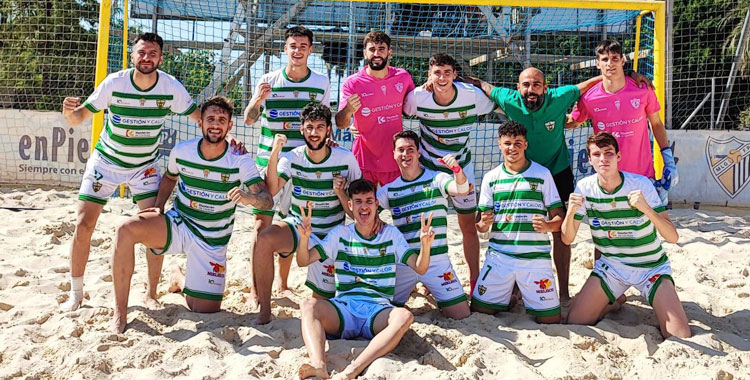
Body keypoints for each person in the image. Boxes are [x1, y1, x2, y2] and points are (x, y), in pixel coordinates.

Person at [468, 67, 651, 301]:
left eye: (536, 84)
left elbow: (587, 83)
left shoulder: (559, 97)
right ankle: (513, 288)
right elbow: (488, 88)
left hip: (557, 171)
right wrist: (472, 80)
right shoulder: (509, 99)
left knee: (562, 231)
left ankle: (563, 293)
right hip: (524, 174)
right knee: (517, 226)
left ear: (545, 87)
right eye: (526, 85)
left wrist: (626, 75)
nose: (530, 89)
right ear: (518, 88)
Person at [60, 32, 201, 312]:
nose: (146, 57)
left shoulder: (171, 88)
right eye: (141, 52)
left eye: (152, 53)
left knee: (153, 229)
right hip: (106, 163)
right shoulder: (115, 82)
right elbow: (78, 118)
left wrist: (225, 138)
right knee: (83, 224)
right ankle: (76, 294)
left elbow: (200, 118)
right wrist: (68, 114)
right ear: (132, 55)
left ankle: (151, 294)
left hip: (144, 167)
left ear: (160, 58)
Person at [109, 96, 273, 333]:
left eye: (221, 120)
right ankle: (120, 313)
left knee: (204, 308)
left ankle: (179, 278)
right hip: (181, 223)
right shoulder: (183, 151)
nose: (215, 124)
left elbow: (267, 201)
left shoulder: (240, 159)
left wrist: (250, 199)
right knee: (125, 230)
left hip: (212, 240)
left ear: (229, 126)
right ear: (200, 123)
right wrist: (159, 205)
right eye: (210, 119)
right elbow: (169, 178)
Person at [295, 179, 435, 380]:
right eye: (358, 201)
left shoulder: (391, 234)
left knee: (404, 316)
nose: (364, 206)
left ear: (376, 205)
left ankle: (353, 369)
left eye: (369, 200)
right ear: (350, 205)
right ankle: (319, 365)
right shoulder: (340, 233)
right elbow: (304, 260)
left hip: (377, 310)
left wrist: (426, 245)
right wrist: (305, 239)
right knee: (308, 305)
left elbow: (420, 266)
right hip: (344, 308)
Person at [561, 132, 691, 339]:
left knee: (679, 335)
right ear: (589, 158)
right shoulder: (585, 187)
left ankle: (649, 299)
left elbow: (673, 237)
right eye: (597, 154)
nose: (603, 159)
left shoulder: (640, 184)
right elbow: (567, 239)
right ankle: (613, 302)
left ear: (618, 156)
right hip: (612, 267)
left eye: (608, 153)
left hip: (650, 267)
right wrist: (570, 212)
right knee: (576, 321)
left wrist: (647, 209)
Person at [252, 103, 361, 324]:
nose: (314, 133)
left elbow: (357, 207)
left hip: (331, 233)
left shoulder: (345, 159)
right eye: (309, 127)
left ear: (329, 130)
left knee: (322, 303)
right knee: (264, 239)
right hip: (298, 225)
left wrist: (340, 192)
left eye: (320, 127)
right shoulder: (292, 157)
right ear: (301, 129)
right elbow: (271, 191)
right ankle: (264, 310)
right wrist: (274, 153)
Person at [243, 26, 331, 297]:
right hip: (268, 162)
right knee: (262, 224)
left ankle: (282, 284)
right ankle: (258, 289)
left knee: (290, 226)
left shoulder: (321, 82)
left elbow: (326, 123)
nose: (297, 50)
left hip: (300, 165)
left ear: (310, 50)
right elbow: (248, 118)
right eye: (293, 45)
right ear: (285, 49)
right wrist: (258, 100)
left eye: (303, 46)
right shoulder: (268, 79)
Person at [403, 53, 497, 293]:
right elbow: (399, 114)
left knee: (468, 225)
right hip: (430, 170)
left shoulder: (471, 95)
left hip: (461, 167)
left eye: (447, 72)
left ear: (455, 75)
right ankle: (425, 278)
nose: (442, 78)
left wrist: (477, 82)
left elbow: (499, 101)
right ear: (429, 75)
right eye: (437, 73)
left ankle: (475, 279)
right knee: (426, 226)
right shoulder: (418, 98)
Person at [472, 121, 563, 324]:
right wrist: (483, 225)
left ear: (526, 145)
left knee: (551, 320)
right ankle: (511, 297)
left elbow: (559, 218)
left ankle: (516, 293)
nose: (512, 148)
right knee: (478, 311)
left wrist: (548, 226)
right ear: (499, 144)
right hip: (500, 257)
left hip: (535, 258)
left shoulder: (542, 174)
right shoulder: (491, 178)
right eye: (508, 143)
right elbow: (480, 225)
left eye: (518, 143)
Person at [568, 39, 678, 205]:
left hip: (642, 175)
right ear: (597, 64)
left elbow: (656, 124)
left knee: (647, 227)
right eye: (605, 59)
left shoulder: (642, 89)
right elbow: (573, 122)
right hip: (609, 178)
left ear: (622, 61)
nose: (610, 63)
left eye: (614, 58)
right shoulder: (589, 98)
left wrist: (668, 160)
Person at [377, 131, 471, 319]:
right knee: (382, 312)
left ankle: (425, 284)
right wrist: (340, 192)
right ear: (394, 154)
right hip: (406, 263)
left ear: (418, 153)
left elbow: (461, 190)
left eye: (410, 149)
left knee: (462, 315)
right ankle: (416, 285)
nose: (405, 154)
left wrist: (458, 171)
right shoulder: (389, 189)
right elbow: (364, 214)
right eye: (401, 150)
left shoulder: (437, 179)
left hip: (437, 262)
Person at [335, 31, 415, 186]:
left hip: (395, 158)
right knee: (364, 208)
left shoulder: (403, 77)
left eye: (381, 49)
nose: (376, 54)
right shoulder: (352, 83)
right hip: (364, 160)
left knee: (398, 209)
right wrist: (349, 111)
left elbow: (415, 104)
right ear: (365, 53)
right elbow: (341, 123)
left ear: (389, 52)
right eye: (372, 49)